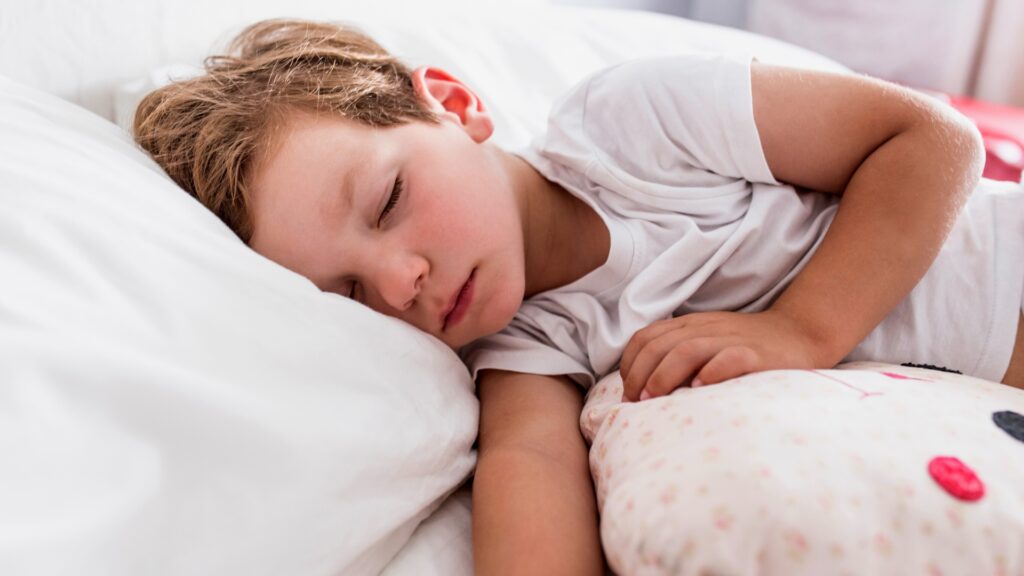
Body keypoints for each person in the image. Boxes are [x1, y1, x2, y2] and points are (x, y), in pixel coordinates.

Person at [133, 18, 1024, 574]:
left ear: (452, 104)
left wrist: (802, 327)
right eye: (350, 292)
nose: (400, 281)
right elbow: (533, 475)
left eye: (389, 202)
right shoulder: (525, 352)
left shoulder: (635, 124)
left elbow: (929, 138)